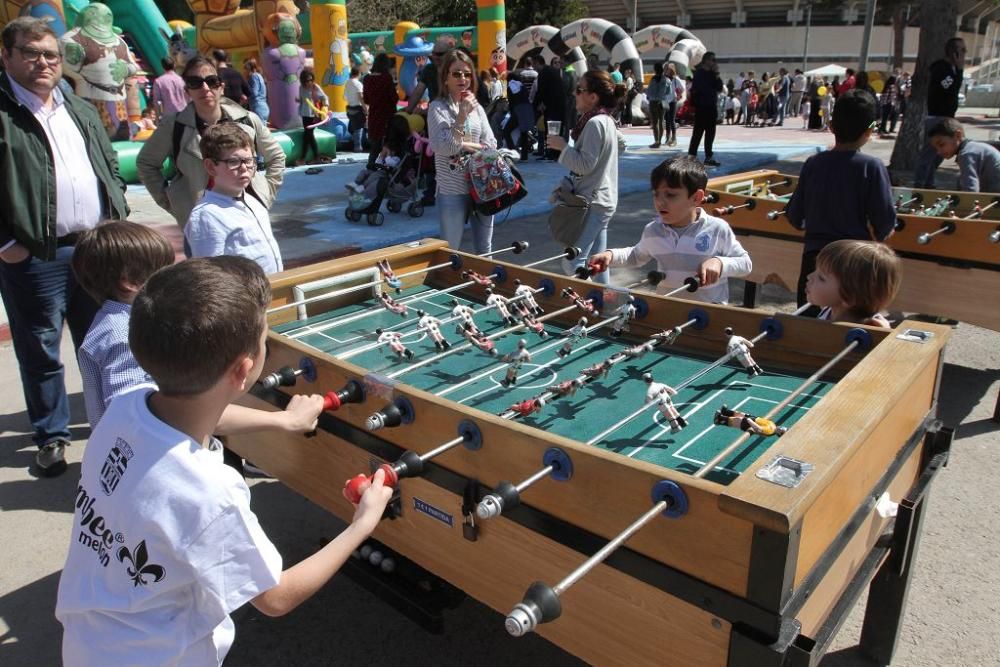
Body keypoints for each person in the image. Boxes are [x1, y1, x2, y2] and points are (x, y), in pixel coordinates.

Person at [55, 256, 393, 665]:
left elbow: (200, 415)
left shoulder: (126, 406)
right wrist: (362, 525)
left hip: (88, 644)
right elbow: (275, 597)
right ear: (245, 369)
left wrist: (281, 419)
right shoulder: (208, 492)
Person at [0, 17, 129, 476]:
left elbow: (108, 164)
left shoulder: (78, 107)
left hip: (94, 248)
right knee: (41, 349)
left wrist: (115, 213)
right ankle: (52, 436)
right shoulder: (3, 113)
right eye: (31, 53)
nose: (42, 63)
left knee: (104, 341)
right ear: (7, 56)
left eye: (50, 55)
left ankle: (111, 422)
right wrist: (7, 242)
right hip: (36, 254)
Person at [137, 55, 285, 230]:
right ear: (187, 91)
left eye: (211, 81)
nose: (205, 88)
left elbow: (276, 156)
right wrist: (172, 202)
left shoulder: (248, 120)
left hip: (248, 211)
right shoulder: (174, 127)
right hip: (201, 220)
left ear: (221, 87)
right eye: (195, 82)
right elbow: (146, 163)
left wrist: (267, 192)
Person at [784, 89, 896, 309]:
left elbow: (795, 217)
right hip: (854, 264)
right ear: (870, 130)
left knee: (808, 327)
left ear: (832, 126)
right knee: (848, 333)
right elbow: (884, 223)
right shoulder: (872, 167)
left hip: (815, 262)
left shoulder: (813, 163)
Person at [587, 156, 751, 303]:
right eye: (656, 194)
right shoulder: (653, 230)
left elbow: (745, 263)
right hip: (667, 309)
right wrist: (610, 255)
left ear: (696, 198)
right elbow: (636, 256)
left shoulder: (716, 229)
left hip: (708, 315)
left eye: (670, 195)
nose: (660, 202)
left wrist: (720, 263)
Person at [71, 222, 174, 427]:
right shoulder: (126, 336)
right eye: (164, 271)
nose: (173, 278)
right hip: (144, 449)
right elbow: (129, 414)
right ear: (130, 282)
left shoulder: (110, 321)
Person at [546, 70, 625, 284]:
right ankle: (605, 306)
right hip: (603, 199)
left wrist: (562, 148)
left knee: (572, 261)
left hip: (593, 201)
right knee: (597, 262)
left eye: (579, 89)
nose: (574, 93)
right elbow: (621, 145)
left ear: (593, 97)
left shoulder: (594, 123)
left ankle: (585, 305)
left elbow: (584, 165)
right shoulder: (606, 120)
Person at [186, 123, 283, 274]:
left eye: (249, 160)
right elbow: (209, 276)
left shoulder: (252, 200)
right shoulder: (207, 216)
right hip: (245, 295)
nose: (244, 168)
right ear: (211, 167)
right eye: (233, 162)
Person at [428, 50, 497, 253]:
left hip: (482, 186)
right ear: (446, 78)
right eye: (456, 74)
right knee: (451, 249)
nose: (463, 79)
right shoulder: (437, 108)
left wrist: (465, 144)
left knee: (485, 248)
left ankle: (485, 285)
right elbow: (443, 147)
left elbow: (491, 144)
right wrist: (461, 116)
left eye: (467, 74)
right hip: (452, 189)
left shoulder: (478, 108)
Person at [804, 239, 901, 328]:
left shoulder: (868, 327)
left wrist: (883, 333)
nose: (809, 276)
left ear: (849, 297)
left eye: (821, 278)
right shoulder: (829, 309)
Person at [914, 37, 966, 189]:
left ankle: (928, 183)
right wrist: (960, 70)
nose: (964, 54)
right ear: (954, 52)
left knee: (938, 155)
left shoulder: (952, 69)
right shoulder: (941, 68)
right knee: (930, 153)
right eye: (962, 50)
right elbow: (949, 87)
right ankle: (920, 185)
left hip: (946, 117)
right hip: (937, 117)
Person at [927, 117, 1000, 193]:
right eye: (936, 148)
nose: (938, 152)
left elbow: (970, 190)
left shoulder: (967, 154)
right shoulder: (972, 148)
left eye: (941, 145)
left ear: (958, 135)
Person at [363, 53, 400, 169]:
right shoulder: (386, 78)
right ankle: (387, 169)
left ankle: (370, 169)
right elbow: (394, 98)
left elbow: (366, 100)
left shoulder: (367, 79)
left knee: (374, 148)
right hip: (387, 117)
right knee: (389, 145)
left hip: (374, 116)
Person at [687, 51, 723, 167]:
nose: (714, 62)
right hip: (702, 107)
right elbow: (700, 89)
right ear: (706, 60)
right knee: (698, 132)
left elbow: (719, 88)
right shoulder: (699, 73)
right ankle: (691, 156)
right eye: (713, 60)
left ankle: (709, 157)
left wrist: (717, 74)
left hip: (711, 106)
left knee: (710, 133)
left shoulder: (713, 74)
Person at [297, 67, 329, 165]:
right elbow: (303, 100)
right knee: (307, 136)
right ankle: (314, 157)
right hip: (304, 114)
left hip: (313, 115)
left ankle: (306, 158)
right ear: (303, 80)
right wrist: (299, 101)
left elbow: (324, 97)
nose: (309, 82)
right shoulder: (301, 88)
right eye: (307, 80)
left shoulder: (315, 87)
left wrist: (325, 107)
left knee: (308, 135)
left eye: (311, 79)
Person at [646, 62, 668, 148]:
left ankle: (656, 141)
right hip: (662, 101)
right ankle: (660, 140)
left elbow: (649, 90)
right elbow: (666, 91)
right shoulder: (665, 79)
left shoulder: (653, 79)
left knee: (655, 122)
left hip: (653, 101)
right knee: (661, 121)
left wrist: (649, 97)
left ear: (655, 69)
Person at [345, 66, 366, 152]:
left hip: (349, 108)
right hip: (357, 108)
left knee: (352, 127)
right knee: (358, 128)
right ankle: (358, 147)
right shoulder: (358, 84)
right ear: (358, 73)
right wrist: (366, 108)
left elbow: (345, 97)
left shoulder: (347, 83)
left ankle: (355, 144)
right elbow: (360, 97)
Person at [244, 57, 269, 124]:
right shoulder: (259, 75)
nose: (244, 71)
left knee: (260, 131)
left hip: (257, 107)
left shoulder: (253, 76)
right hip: (262, 106)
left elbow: (254, 92)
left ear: (249, 68)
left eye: (245, 68)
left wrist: (246, 95)